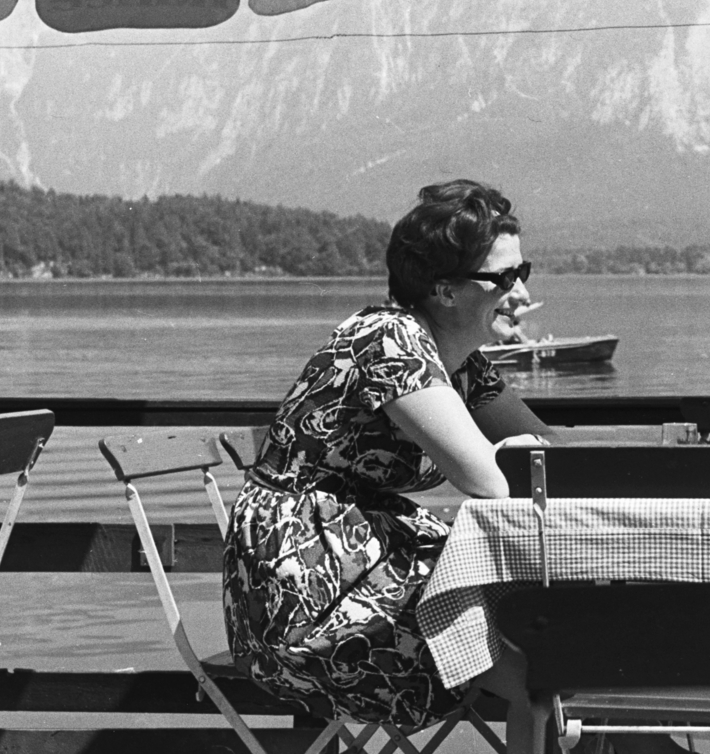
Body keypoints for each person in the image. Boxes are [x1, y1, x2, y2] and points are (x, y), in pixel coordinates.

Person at [222, 179, 546, 747]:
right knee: (545, 660)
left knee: (565, 638)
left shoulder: (462, 362)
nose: (519, 293)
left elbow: (551, 454)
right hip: (305, 594)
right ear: (444, 290)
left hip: (373, 563)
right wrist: (521, 457)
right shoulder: (391, 339)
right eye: (503, 278)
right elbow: (491, 483)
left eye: (524, 272)